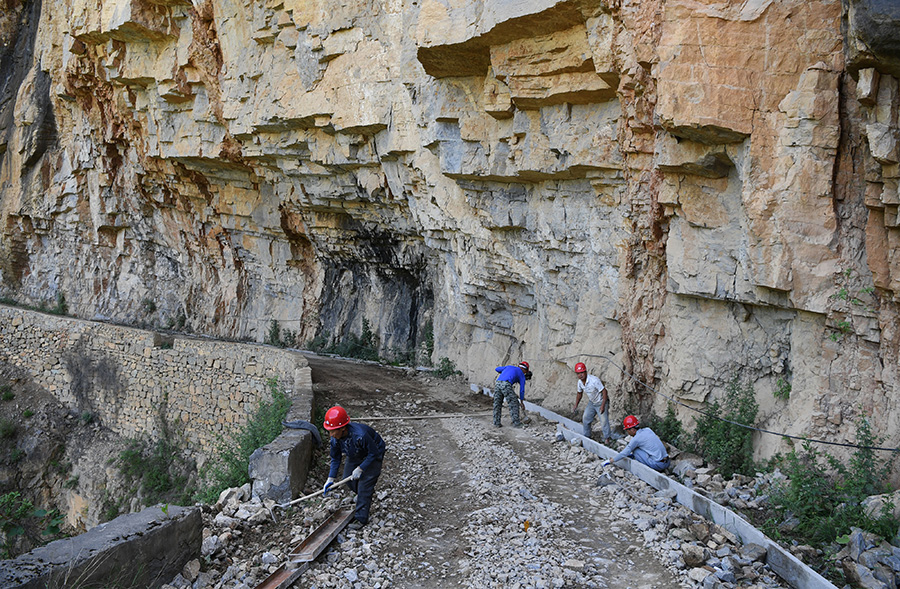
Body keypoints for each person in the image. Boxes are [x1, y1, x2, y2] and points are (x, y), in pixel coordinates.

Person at [321, 405, 386, 530]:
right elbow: (335, 458)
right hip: (354, 452)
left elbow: (374, 453)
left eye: (333, 431)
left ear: (343, 428)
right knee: (348, 479)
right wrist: (330, 478)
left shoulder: (361, 435)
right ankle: (365, 496)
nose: (331, 434)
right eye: (329, 431)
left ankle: (361, 518)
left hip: (373, 452)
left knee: (364, 484)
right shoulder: (335, 439)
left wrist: (361, 468)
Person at [603, 415, 670, 472]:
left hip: (659, 465)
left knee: (636, 451)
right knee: (640, 448)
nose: (627, 432)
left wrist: (611, 460)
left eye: (627, 430)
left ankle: (645, 470)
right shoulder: (648, 429)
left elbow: (624, 453)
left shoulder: (636, 439)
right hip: (667, 462)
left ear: (632, 430)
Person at [573, 362, 616, 443]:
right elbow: (579, 393)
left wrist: (603, 405)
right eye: (578, 373)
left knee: (604, 421)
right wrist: (576, 405)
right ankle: (587, 437)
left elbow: (604, 391)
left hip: (601, 401)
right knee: (585, 418)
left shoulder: (594, 380)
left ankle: (607, 439)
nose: (580, 375)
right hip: (592, 402)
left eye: (582, 372)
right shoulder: (579, 382)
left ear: (585, 372)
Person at [493, 361, 532, 428]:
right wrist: (521, 402)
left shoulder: (509, 367)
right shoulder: (521, 374)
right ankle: (516, 423)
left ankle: (496, 423)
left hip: (497, 383)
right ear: (525, 369)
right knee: (514, 403)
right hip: (506, 385)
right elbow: (522, 390)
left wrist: (505, 372)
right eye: (525, 372)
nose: (525, 374)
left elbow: (497, 369)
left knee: (497, 404)